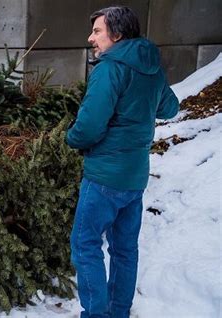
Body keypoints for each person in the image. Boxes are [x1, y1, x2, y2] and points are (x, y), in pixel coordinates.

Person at [65, 6, 179, 318]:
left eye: (97, 31)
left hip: (104, 177)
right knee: (124, 250)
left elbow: (89, 126)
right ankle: (118, 313)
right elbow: (170, 107)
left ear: (117, 34)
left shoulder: (110, 68)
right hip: (134, 178)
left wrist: (71, 139)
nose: (91, 38)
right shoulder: (150, 67)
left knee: (85, 245)